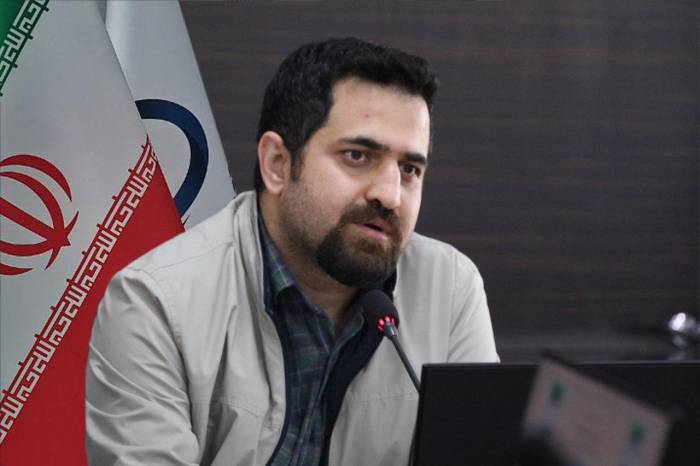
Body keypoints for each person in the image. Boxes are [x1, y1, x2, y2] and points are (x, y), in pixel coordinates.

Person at [85, 37, 498, 466]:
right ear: (277, 164)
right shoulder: (154, 302)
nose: (390, 195)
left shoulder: (450, 288)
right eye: (358, 156)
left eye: (409, 169)